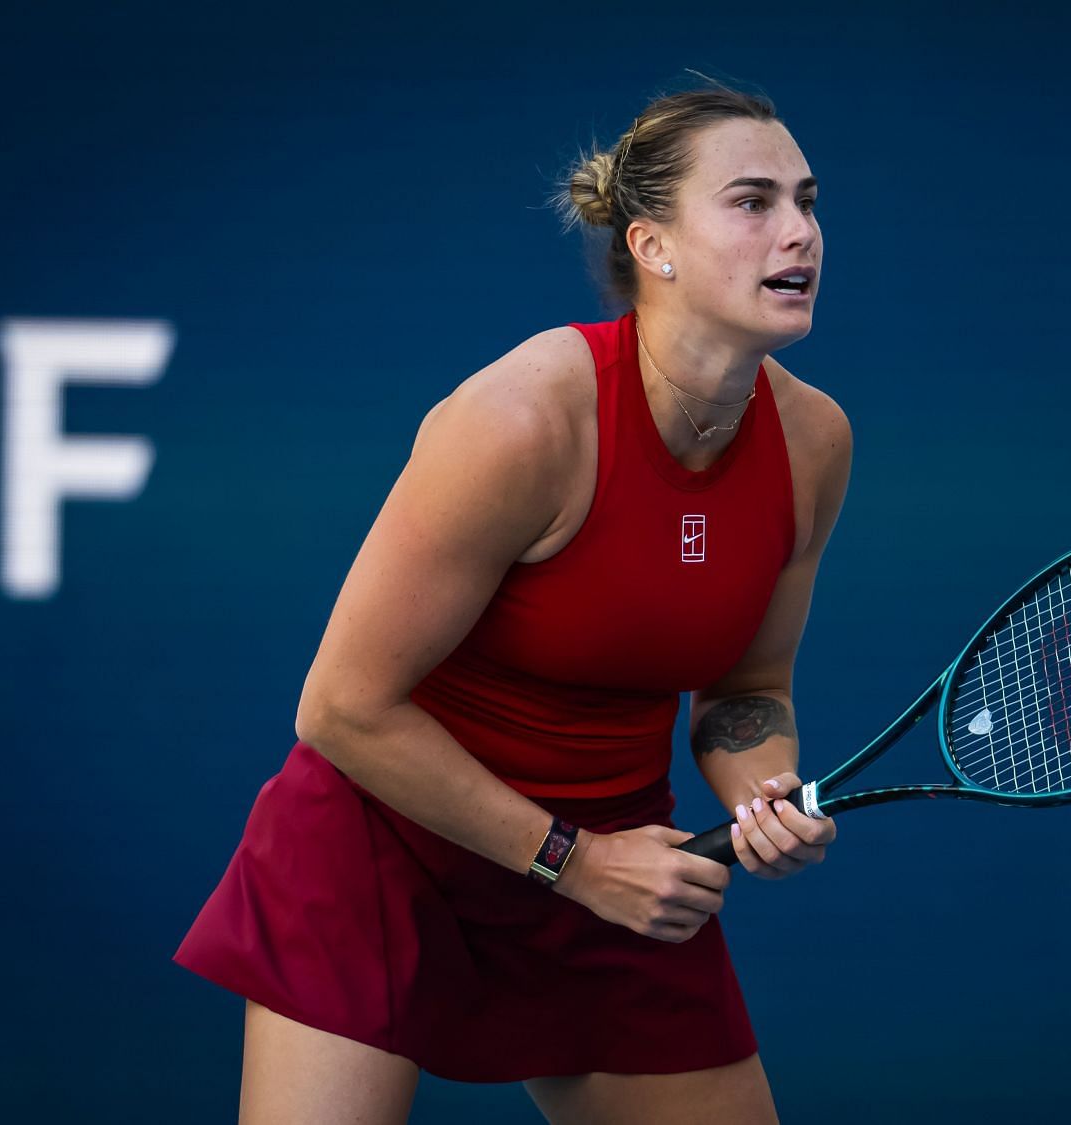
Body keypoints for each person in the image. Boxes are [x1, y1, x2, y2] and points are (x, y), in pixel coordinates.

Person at [171, 78, 850, 1124]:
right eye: (754, 201)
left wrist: (763, 791)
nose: (799, 232)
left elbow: (745, 689)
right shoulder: (524, 418)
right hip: (389, 850)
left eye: (807, 201)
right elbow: (342, 707)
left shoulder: (813, 443)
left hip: (621, 864)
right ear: (652, 245)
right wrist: (570, 863)